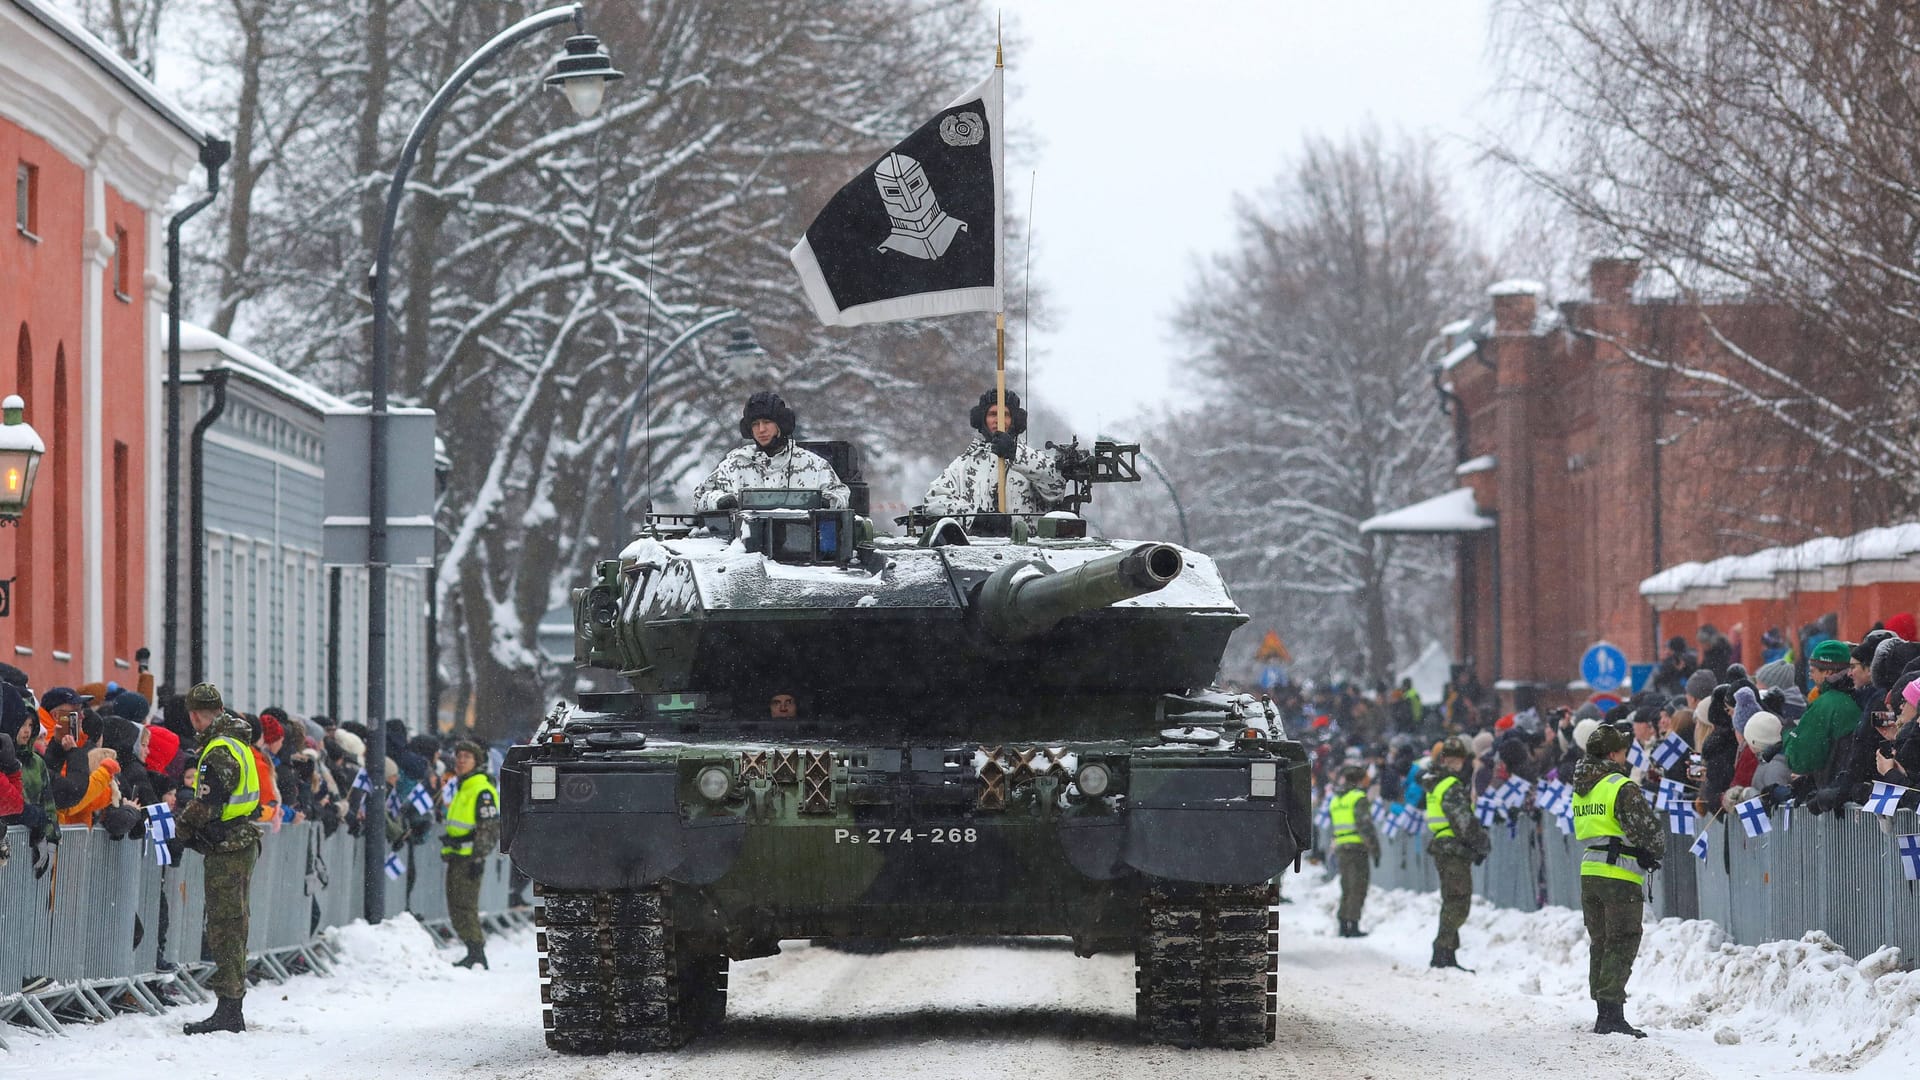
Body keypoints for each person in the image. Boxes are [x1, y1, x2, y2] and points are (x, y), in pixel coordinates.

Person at [176, 682, 261, 1035]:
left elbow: (206, 805)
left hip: (227, 846)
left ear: (195, 715)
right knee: (234, 923)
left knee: (225, 926)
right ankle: (231, 1004)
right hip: (239, 839)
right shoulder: (238, 743)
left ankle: (229, 1009)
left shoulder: (218, 751)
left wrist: (179, 830)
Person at [1572, 723, 1665, 1038]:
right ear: (1613, 753)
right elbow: (1647, 831)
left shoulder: (1583, 786)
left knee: (1600, 942)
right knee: (1622, 940)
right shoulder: (1620, 785)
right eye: (1623, 749)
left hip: (1590, 871)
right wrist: (1652, 850)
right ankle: (1612, 1014)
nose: (1626, 755)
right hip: (1618, 875)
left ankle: (1603, 1010)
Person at [692, 391, 848, 511]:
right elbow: (699, 498)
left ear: (781, 424)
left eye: (767, 422)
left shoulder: (813, 465)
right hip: (743, 548)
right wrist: (720, 500)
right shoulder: (733, 466)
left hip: (801, 546)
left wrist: (823, 502)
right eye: (755, 424)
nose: (761, 429)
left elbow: (841, 495)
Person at [921, 388, 1068, 515]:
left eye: (1005, 414)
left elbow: (1056, 487)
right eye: (992, 414)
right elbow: (933, 501)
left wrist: (1014, 453)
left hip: (1025, 545)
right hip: (977, 545)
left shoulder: (1032, 461)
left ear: (1015, 420)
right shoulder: (963, 466)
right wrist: (975, 517)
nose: (998, 420)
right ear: (982, 420)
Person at [1423, 737, 1488, 970]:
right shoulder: (1450, 784)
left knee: (1452, 899)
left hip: (1442, 844)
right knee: (1458, 901)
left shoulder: (1436, 783)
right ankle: (1441, 951)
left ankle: (1448, 953)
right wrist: (1481, 844)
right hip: (1453, 847)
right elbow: (1463, 821)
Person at [441, 739, 500, 970]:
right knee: (456, 905)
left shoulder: (480, 789)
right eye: (459, 756)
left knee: (465, 906)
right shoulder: (463, 786)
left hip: (469, 858)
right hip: (457, 856)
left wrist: (478, 857)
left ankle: (476, 952)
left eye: (467, 757)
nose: (461, 761)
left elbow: (489, 827)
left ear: (476, 762)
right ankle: (472, 950)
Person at [1784, 639, 1862, 783]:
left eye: (1813, 671)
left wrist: (1786, 734)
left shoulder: (1827, 704)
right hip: (1846, 786)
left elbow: (1800, 760)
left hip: (1831, 790)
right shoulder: (1855, 697)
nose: (1810, 676)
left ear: (1828, 671)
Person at [1327, 764, 1380, 937]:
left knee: (1347, 886)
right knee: (1358, 886)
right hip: (1357, 847)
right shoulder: (1358, 797)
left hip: (1342, 846)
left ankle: (1343, 923)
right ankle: (1353, 925)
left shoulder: (1336, 799)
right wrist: (1375, 848)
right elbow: (1364, 825)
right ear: (1358, 780)